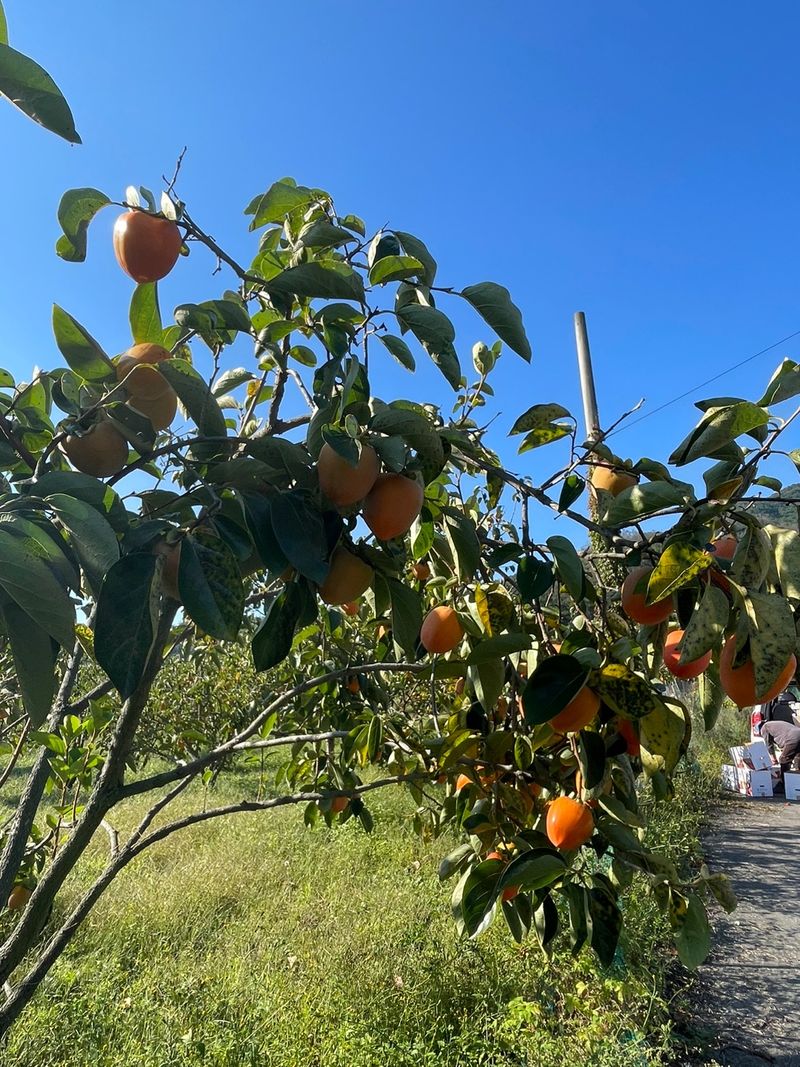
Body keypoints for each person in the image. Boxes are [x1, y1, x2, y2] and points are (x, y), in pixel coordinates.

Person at [761, 718, 800, 793]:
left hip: (793, 738)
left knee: (783, 759)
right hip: (797, 733)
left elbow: (769, 745)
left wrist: (773, 758)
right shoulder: (774, 724)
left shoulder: (765, 727)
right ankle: (797, 784)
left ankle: (784, 785)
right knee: (798, 759)